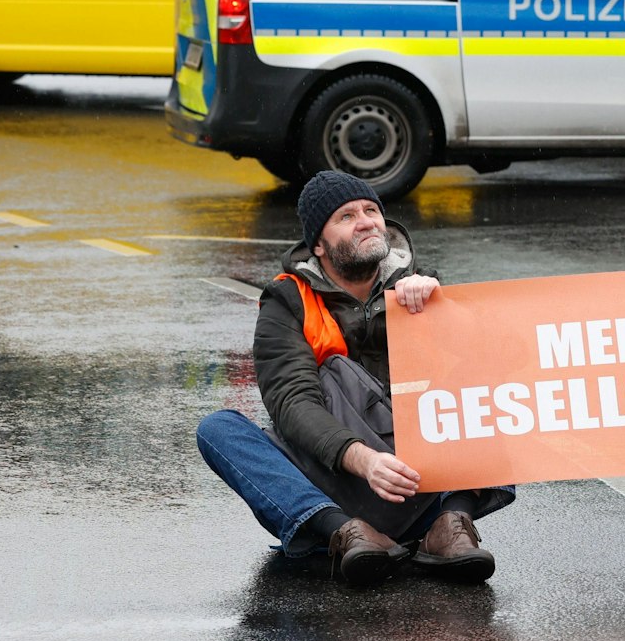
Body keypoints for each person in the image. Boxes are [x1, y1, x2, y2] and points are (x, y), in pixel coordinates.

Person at [196, 171, 514, 586]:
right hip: (333, 480)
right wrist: (364, 459)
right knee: (218, 430)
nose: (366, 221)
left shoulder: (420, 289)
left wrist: (447, 315)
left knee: (502, 394)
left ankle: (450, 525)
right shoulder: (286, 301)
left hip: (422, 480)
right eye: (346, 216)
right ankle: (344, 533)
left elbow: (488, 369)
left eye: (371, 211)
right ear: (319, 245)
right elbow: (293, 404)